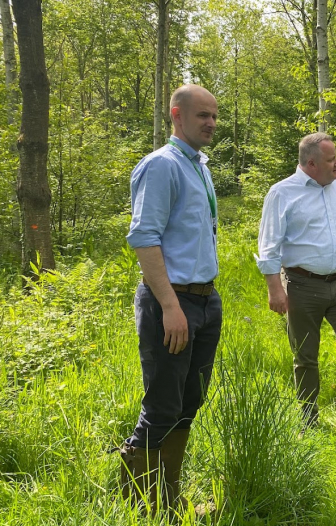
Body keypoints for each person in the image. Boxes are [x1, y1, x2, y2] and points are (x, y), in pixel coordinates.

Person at [119, 84, 222, 514]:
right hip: (172, 302)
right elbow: (144, 238)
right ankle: (140, 504)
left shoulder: (198, 164)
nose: (211, 123)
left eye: (214, 115)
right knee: (163, 403)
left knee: (189, 401)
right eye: (202, 115)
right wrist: (170, 306)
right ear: (176, 115)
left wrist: (201, 301)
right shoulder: (161, 166)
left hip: (204, 300)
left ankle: (169, 498)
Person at [256, 133, 336, 443]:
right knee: (305, 357)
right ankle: (308, 420)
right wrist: (275, 289)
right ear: (311, 164)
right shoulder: (282, 194)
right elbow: (269, 246)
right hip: (301, 286)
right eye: (331, 159)